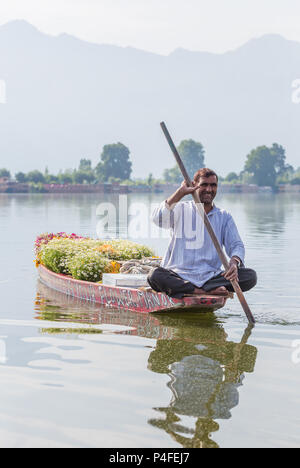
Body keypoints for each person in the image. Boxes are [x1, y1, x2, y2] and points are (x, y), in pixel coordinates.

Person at [147, 168, 257, 299]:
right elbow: (157, 219)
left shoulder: (223, 216)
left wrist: (234, 262)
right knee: (154, 275)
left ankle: (201, 288)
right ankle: (200, 291)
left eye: (213, 185)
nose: (209, 190)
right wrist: (180, 193)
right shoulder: (180, 209)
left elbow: (236, 245)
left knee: (250, 276)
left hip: (210, 278)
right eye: (204, 185)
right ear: (194, 185)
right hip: (178, 275)